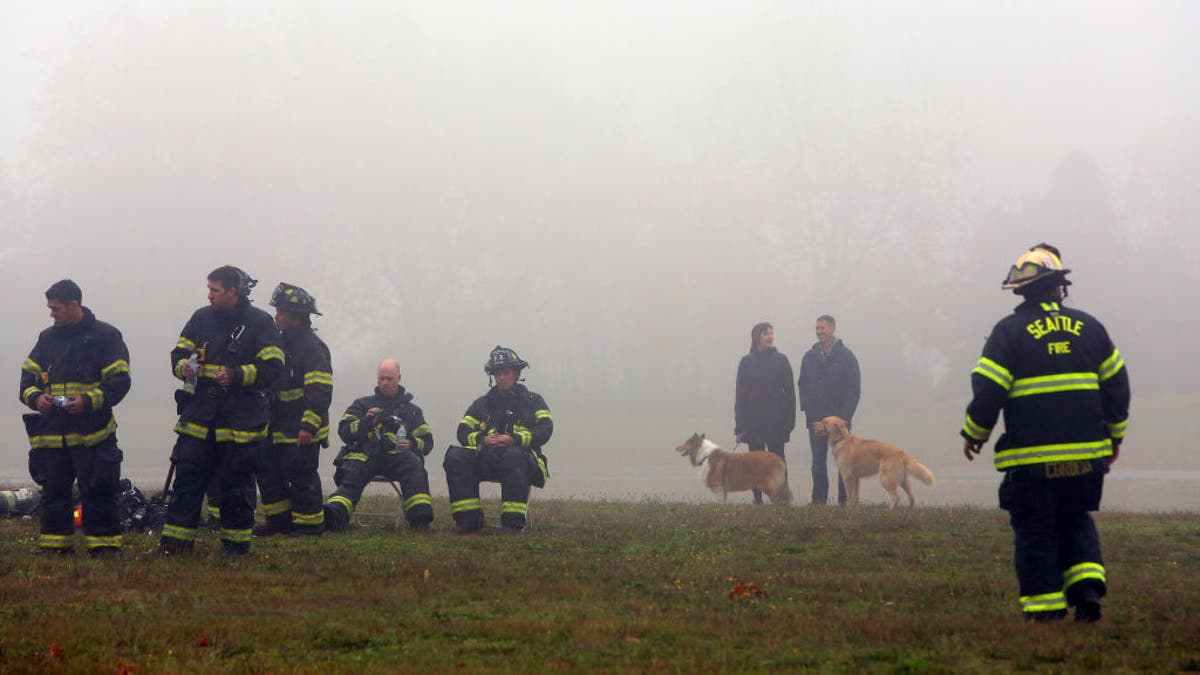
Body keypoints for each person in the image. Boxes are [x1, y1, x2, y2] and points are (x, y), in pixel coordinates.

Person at [962, 244, 1130, 623]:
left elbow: (988, 390)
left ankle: (1045, 610)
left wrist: (975, 433)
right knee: (1075, 518)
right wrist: (1114, 438)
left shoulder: (1009, 332)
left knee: (1036, 527)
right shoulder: (1090, 327)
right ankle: (1087, 590)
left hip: (1033, 459)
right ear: (1059, 287)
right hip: (1087, 455)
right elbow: (1118, 386)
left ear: (1022, 290)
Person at [159, 266, 284, 556]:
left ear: (233, 291)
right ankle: (174, 547)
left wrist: (237, 375)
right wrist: (184, 368)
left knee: (237, 487)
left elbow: (273, 369)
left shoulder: (260, 323)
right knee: (187, 482)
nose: (209, 295)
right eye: (209, 289)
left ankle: (236, 549)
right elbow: (178, 355)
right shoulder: (201, 318)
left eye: (215, 290)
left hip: (240, 421)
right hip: (199, 418)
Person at [19, 280, 131, 556]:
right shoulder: (46, 339)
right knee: (54, 493)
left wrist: (88, 401)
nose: (51, 314)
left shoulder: (106, 336)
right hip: (53, 434)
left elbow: (120, 381)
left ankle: (104, 548)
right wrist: (36, 398)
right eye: (50, 308)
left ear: (74, 305)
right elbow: (26, 380)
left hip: (92, 434)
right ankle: (55, 547)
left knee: (99, 490)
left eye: (56, 308)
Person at [444, 346, 553, 533]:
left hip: (523, 462)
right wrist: (483, 439)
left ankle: (512, 524)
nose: (501, 377)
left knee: (513, 456)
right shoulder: (481, 404)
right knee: (456, 456)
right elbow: (463, 431)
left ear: (517, 374)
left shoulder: (533, 401)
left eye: (506, 372)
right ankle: (468, 521)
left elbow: (545, 429)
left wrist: (515, 440)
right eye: (497, 373)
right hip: (489, 459)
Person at [253, 283, 333, 537]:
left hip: (300, 426)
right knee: (269, 475)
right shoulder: (279, 343)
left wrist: (308, 427)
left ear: (296, 316)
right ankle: (279, 523)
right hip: (276, 424)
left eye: (281, 312)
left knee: (301, 476)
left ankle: (309, 526)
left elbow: (319, 392)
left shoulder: (312, 348)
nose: (276, 316)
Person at [322, 359, 434, 532]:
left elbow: (427, 441)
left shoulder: (412, 411)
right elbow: (344, 431)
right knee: (351, 477)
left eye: (389, 378)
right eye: (382, 378)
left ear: (399, 378)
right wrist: (366, 422)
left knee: (414, 466)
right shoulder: (361, 405)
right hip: (365, 456)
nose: (385, 383)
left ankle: (420, 521)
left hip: (398, 457)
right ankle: (334, 516)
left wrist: (411, 443)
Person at [797, 315, 860, 506]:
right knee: (817, 462)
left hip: (840, 422)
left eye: (822, 328)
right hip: (816, 419)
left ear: (832, 328)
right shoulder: (809, 357)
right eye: (817, 328)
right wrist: (807, 409)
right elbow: (802, 384)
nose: (819, 332)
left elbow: (854, 389)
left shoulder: (847, 357)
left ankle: (844, 500)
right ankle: (818, 500)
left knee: (844, 462)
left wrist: (845, 418)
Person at [734, 322, 796, 504]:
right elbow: (741, 396)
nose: (770, 336)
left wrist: (789, 422)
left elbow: (790, 394)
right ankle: (757, 498)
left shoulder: (782, 361)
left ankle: (782, 498)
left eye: (771, 333)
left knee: (779, 462)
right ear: (757, 337)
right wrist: (740, 425)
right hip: (754, 424)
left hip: (777, 423)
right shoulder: (746, 363)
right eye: (765, 333)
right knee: (755, 463)